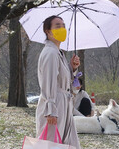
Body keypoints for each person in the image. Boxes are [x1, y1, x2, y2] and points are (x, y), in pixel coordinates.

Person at [36, 15, 81, 149]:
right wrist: (51, 109)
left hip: (63, 104)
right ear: (48, 31)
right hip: (55, 105)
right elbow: (48, 82)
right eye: (57, 26)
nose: (62, 28)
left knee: (67, 143)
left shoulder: (58, 53)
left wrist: (72, 67)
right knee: (52, 144)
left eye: (63, 26)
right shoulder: (50, 53)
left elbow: (63, 80)